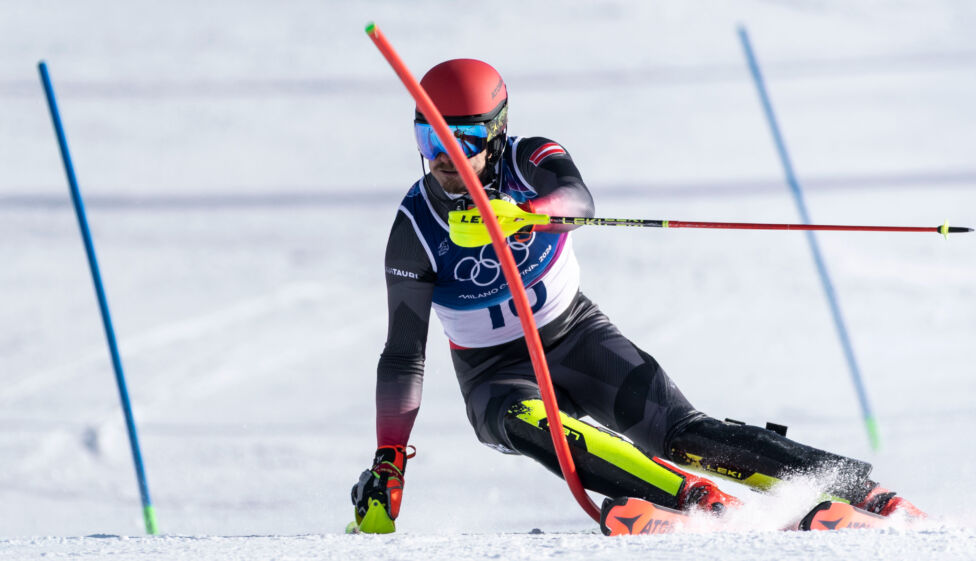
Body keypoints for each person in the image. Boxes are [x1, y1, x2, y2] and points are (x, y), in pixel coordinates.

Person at [349, 58, 923, 533]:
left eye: (463, 139)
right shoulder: (414, 230)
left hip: (575, 334)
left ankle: (863, 494)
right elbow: (403, 354)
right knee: (531, 419)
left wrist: (525, 215)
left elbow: (577, 199)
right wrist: (389, 457)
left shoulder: (532, 159)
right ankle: (703, 505)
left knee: (683, 432)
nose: (444, 157)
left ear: (495, 134)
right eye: (429, 136)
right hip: (494, 373)